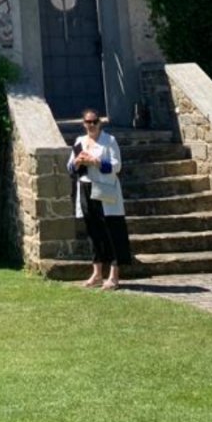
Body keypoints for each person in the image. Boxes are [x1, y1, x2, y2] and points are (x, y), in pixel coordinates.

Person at [67, 109, 131, 290]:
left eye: (94, 122)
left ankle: (114, 276)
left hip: (105, 190)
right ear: (83, 123)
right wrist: (78, 162)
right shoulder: (79, 141)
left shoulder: (109, 140)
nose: (91, 125)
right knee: (93, 231)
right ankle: (97, 273)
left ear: (99, 122)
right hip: (86, 188)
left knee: (112, 231)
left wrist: (96, 162)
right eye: (88, 122)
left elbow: (117, 166)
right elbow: (70, 167)